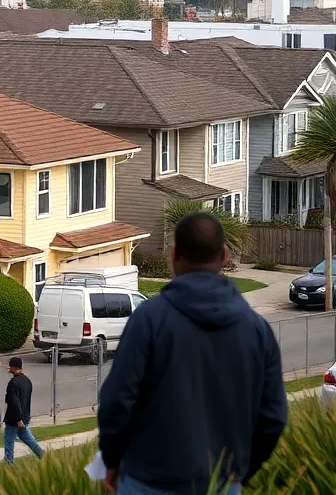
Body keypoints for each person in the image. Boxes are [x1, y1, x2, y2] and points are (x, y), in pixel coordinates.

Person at [98, 212, 287, 494]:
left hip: (148, 481)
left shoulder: (149, 320)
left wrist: (112, 459)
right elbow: (273, 416)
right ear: (225, 256)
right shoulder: (257, 330)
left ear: (174, 256)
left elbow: (117, 401)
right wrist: (237, 474)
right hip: (220, 484)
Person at [2, 355, 44, 463]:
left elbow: (14, 402)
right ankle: (42, 454)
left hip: (14, 418)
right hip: (25, 416)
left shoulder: (13, 383)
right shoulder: (27, 381)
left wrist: (18, 418)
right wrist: (23, 418)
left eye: (10, 366)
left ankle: (8, 463)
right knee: (27, 437)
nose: (8, 368)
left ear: (13, 367)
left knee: (9, 441)